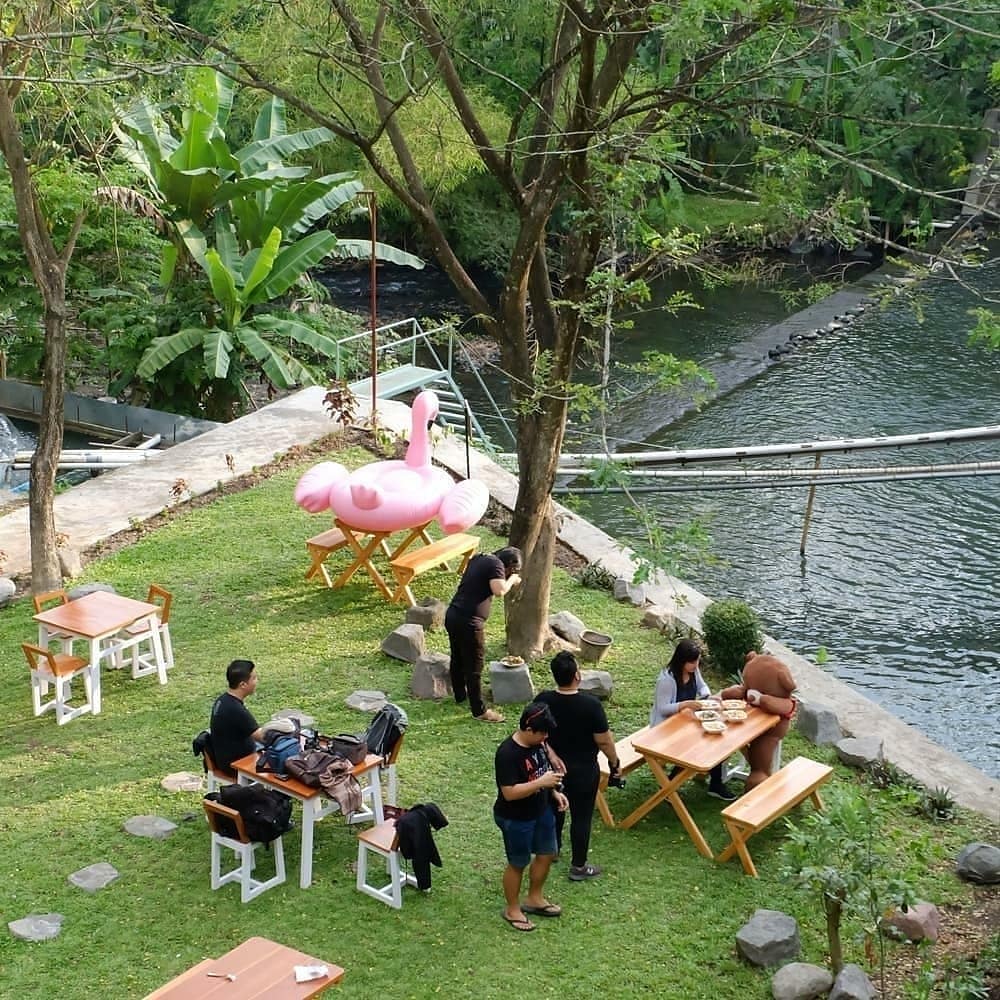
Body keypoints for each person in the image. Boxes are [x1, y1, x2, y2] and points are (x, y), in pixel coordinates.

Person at [536, 651, 619, 881]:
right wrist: (615, 763)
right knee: (581, 817)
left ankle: (552, 850)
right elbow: (604, 740)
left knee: (554, 809)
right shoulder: (590, 705)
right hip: (584, 771)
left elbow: (532, 733)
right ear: (577, 676)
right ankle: (579, 867)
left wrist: (550, 753)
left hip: (552, 771)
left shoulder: (543, 701)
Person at [493, 702, 568, 932]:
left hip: (542, 809)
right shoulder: (507, 753)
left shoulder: (540, 744)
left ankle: (534, 898)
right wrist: (541, 783)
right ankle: (512, 909)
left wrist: (553, 793)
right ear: (527, 728)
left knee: (547, 854)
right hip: (515, 818)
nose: (545, 737)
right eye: (542, 732)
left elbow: (543, 771)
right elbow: (509, 793)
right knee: (518, 863)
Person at [650, 638, 736, 801]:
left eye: (697, 661)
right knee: (695, 747)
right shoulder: (666, 680)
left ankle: (716, 784)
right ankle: (669, 785)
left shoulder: (693, 671)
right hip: (665, 729)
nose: (695, 665)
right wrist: (685, 704)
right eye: (692, 662)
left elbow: (702, 686)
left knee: (716, 738)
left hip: (686, 722)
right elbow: (662, 708)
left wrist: (708, 696)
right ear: (681, 661)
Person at [445, 545, 522, 722]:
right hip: (469, 622)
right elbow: (500, 590)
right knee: (474, 666)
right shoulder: (496, 565)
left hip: (453, 614)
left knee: (457, 657)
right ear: (510, 565)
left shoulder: (480, 558)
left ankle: (460, 695)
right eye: (513, 570)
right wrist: (513, 580)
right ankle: (479, 711)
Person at [720, 651, 797, 790]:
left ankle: (760, 773)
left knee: (761, 749)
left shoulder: (779, 696)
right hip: (745, 722)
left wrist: (764, 700)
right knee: (724, 737)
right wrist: (736, 693)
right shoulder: (749, 688)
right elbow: (730, 694)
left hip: (770, 730)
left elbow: (786, 706)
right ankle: (715, 771)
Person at [209, 659, 295, 776]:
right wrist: (283, 726)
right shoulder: (235, 709)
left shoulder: (223, 700)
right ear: (243, 685)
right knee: (284, 758)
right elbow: (262, 737)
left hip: (225, 757)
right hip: (236, 764)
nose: (257, 681)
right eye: (254, 678)